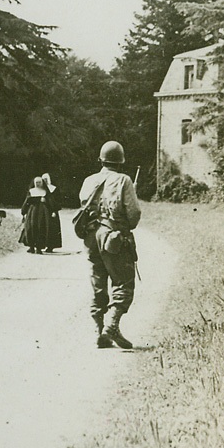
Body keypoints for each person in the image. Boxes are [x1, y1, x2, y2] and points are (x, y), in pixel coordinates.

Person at [77, 141, 141, 350]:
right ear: (121, 161)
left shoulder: (89, 180)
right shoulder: (124, 180)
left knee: (98, 282)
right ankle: (111, 326)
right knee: (123, 282)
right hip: (113, 237)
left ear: (101, 159)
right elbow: (133, 215)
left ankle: (99, 331)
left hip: (91, 238)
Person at [19, 173, 61, 254]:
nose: (38, 184)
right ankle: (31, 247)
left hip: (42, 213)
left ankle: (39, 248)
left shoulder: (45, 192)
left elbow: (51, 202)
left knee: (41, 229)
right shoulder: (31, 191)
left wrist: (53, 209)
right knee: (30, 228)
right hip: (32, 213)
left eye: (39, 182)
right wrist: (23, 211)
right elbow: (26, 202)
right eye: (36, 182)